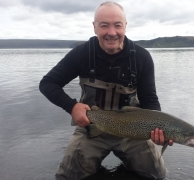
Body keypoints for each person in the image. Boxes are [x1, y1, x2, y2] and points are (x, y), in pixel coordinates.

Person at [39, 1, 173, 180]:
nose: (112, 32)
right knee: (67, 177)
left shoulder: (141, 57)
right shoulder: (82, 53)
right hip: (91, 127)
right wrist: (72, 107)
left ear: (125, 26)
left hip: (134, 131)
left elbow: (150, 100)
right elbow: (48, 83)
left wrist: (159, 129)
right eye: (104, 26)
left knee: (157, 175)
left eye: (117, 25)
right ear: (94, 28)